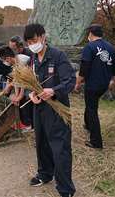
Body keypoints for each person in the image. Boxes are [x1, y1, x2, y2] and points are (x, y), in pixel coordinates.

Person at [24, 24, 76, 197]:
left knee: (60, 147)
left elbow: (70, 81)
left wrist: (53, 90)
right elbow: (29, 84)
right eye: (29, 42)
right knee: (42, 143)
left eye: (35, 40)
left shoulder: (57, 56)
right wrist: (30, 94)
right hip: (39, 108)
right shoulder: (32, 58)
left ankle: (65, 188)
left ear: (43, 37)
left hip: (57, 108)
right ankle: (45, 174)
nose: (32, 44)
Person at [75, 24, 115, 149]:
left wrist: (77, 83)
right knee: (90, 105)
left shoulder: (89, 47)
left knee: (91, 109)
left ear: (90, 34)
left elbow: (84, 67)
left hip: (93, 84)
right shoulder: (110, 47)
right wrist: (114, 81)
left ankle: (96, 142)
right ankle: (88, 124)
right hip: (104, 84)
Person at [0, 45, 33, 129]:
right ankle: (21, 121)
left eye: (4, 60)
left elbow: (25, 82)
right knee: (15, 99)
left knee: (24, 98)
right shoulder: (14, 63)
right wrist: (16, 96)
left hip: (33, 83)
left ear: (8, 58)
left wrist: (20, 96)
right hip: (25, 83)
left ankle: (28, 124)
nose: (4, 62)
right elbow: (17, 81)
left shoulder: (23, 61)